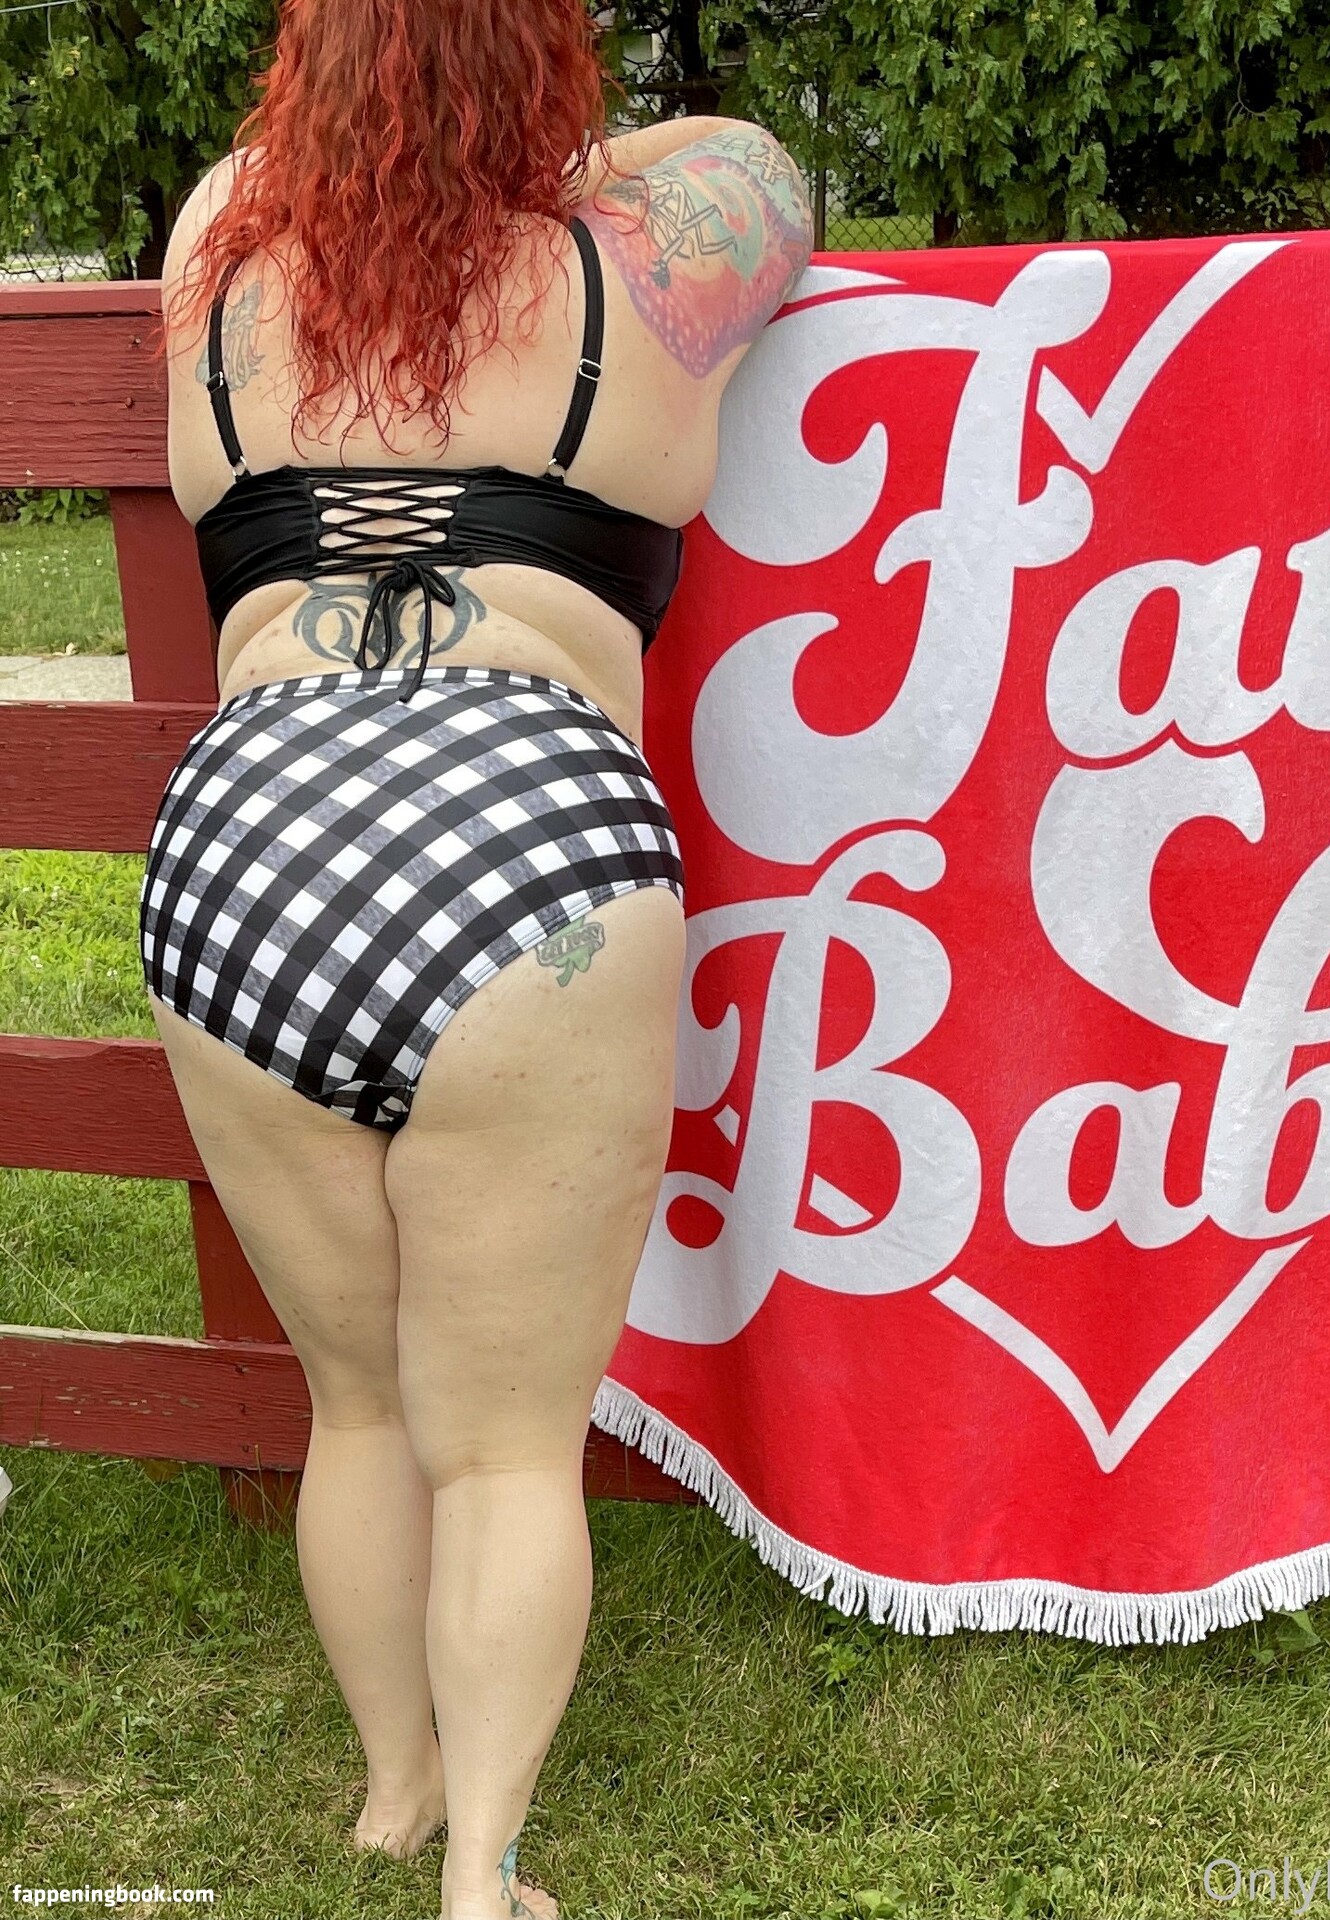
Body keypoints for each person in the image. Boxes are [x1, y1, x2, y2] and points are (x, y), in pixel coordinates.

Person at [140, 2, 812, 1913]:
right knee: (505, 1447)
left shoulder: (217, 242)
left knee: (356, 1403)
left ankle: (393, 1793)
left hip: (248, 827)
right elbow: (764, 171)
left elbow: (315, 184)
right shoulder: (658, 245)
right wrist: (541, 152)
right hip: (527, 824)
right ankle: (485, 1877)